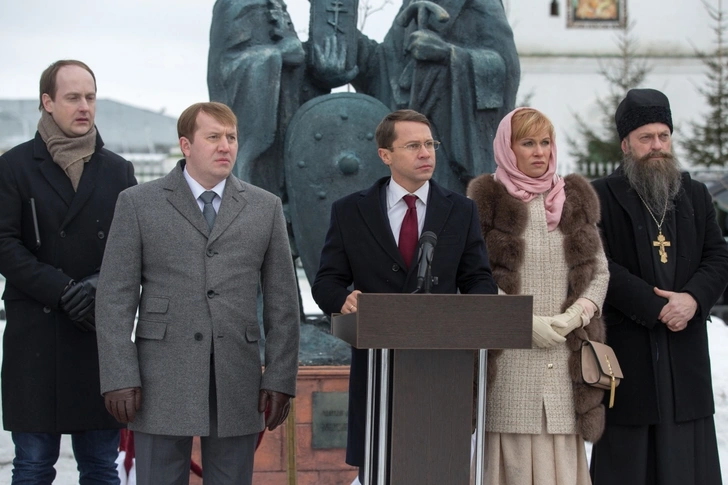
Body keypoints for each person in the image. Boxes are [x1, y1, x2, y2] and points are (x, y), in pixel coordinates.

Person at [95, 102, 300, 485]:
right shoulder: (138, 203)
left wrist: (279, 377)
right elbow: (113, 301)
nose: (225, 146)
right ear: (186, 145)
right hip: (159, 376)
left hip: (237, 377)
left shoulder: (265, 207)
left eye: (231, 137)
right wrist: (119, 375)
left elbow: (283, 304)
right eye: (213, 137)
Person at [311, 109, 498, 482]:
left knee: (438, 469)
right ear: (385, 154)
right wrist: (343, 300)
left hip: (440, 369)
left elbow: (479, 278)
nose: (426, 153)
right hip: (377, 370)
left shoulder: (460, 210)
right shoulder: (350, 211)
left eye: (430, 144)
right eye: (413, 145)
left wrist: (472, 312)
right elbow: (327, 282)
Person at [0, 59, 137, 484]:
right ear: (47, 102)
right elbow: (4, 245)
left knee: (100, 467)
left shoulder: (118, 170)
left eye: (90, 97)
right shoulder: (14, 166)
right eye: (73, 97)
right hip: (35, 339)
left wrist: (97, 289)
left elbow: (132, 249)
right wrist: (62, 291)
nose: (84, 107)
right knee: (33, 466)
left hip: (97, 337)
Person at [589, 88, 728, 485]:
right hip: (630, 351)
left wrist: (693, 300)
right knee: (630, 463)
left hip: (686, 356)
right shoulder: (601, 196)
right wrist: (656, 308)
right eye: (646, 138)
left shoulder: (695, 194)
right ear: (626, 144)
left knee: (688, 463)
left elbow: (718, 257)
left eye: (663, 136)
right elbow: (598, 264)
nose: (657, 146)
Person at [467, 107, 610, 485]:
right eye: (527, 143)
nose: (539, 152)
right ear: (507, 148)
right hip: (509, 367)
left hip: (565, 364)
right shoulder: (486, 202)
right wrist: (519, 323)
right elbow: (472, 276)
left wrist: (576, 315)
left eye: (545, 142)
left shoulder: (573, 200)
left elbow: (599, 271)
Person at [347, 0, 521, 192]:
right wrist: (349, 41)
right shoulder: (411, 3)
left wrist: (448, 54)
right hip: (406, 150)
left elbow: (506, 70)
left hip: (446, 151)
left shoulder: (480, 3)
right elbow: (386, 69)